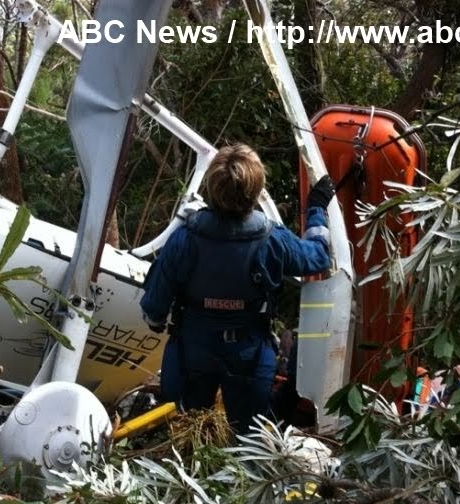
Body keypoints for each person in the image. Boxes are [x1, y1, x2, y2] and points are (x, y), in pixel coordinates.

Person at [140, 144, 334, 432]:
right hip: (249, 355)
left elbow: (153, 310)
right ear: (255, 191)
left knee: (185, 432)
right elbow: (318, 257)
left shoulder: (184, 239)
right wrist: (317, 208)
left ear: (212, 186)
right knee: (248, 439)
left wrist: (156, 320)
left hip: (191, 352)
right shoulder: (273, 241)